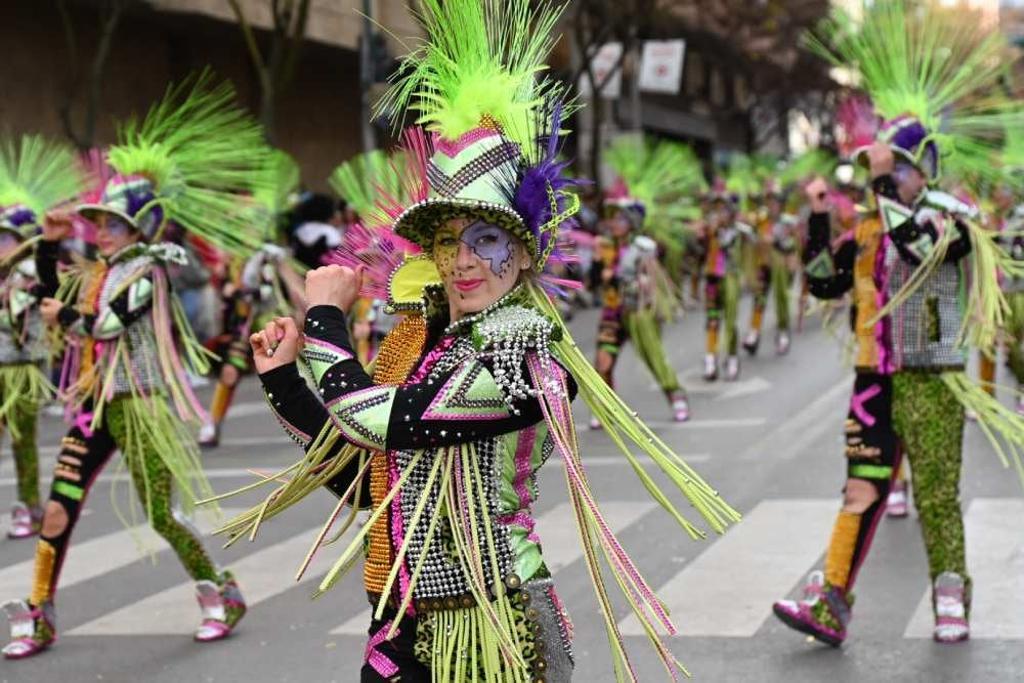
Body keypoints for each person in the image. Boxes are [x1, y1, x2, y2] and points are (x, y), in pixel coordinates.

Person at [216, 1, 738, 679]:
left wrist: (323, 321)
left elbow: (380, 422)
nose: (460, 259)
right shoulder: (426, 346)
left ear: (523, 253)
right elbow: (364, 481)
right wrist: (284, 378)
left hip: (493, 627)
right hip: (404, 623)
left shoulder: (523, 357)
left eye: (484, 239)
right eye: (445, 241)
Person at [773, 0, 1024, 646]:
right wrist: (822, 218)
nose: (887, 177)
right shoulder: (868, 220)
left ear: (923, 169)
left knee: (937, 496)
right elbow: (826, 282)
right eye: (887, 167)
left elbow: (924, 247)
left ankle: (951, 593)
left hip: (932, 379)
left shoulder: (949, 217)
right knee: (862, 489)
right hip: (873, 379)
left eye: (898, 167)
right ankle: (832, 601)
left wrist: (884, 193)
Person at [0, 74, 269, 659]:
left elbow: (104, 325)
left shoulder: (148, 272)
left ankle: (221, 591)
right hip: (96, 405)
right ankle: (40, 611)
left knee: (161, 516)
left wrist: (62, 313)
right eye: (97, 222)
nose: (99, 231)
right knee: (57, 507)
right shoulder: (96, 270)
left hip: (142, 402)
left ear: (139, 228)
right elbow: (53, 293)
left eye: (111, 223)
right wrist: (46, 246)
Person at [0, 136, 83, 539]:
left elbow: (51, 293)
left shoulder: (33, 273)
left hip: (23, 368)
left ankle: (30, 505)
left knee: (22, 441)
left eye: (4, 238)